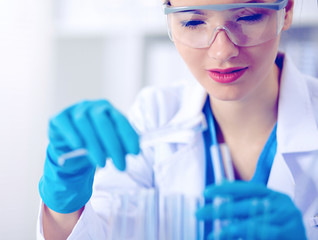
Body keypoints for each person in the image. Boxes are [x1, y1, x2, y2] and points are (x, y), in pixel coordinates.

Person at [37, 0, 318, 239]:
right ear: (170, 21)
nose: (223, 51)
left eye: (248, 17)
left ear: (287, 10)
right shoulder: (154, 116)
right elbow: (102, 231)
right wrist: (64, 200)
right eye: (193, 23)